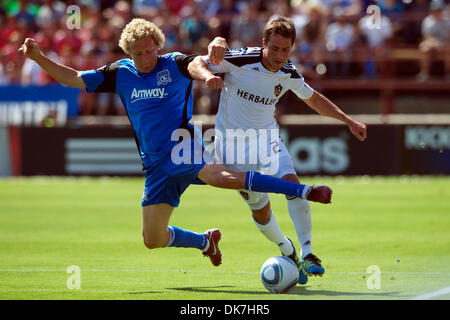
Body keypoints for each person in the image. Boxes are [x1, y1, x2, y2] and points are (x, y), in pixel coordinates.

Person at [18, 18, 332, 269]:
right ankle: (204, 242)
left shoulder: (174, 62)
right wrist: (38, 57)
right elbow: (73, 77)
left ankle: (302, 191)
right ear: (128, 52)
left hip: (183, 146)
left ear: (158, 45)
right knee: (152, 239)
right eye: (137, 53)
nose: (145, 58)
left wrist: (204, 75)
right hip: (155, 164)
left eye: (149, 50)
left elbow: (195, 64)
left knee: (222, 178)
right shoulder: (119, 72)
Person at [189, 16, 366, 283]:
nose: (280, 55)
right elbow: (195, 62)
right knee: (260, 210)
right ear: (264, 43)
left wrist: (348, 120)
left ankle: (307, 254)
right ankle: (287, 249)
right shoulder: (240, 60)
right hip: (231, 148)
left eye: (286, 50)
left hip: (267, 140)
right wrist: (208, 76)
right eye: (274, 48)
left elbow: (313, 99)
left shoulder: (289, 73)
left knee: (291, 183)